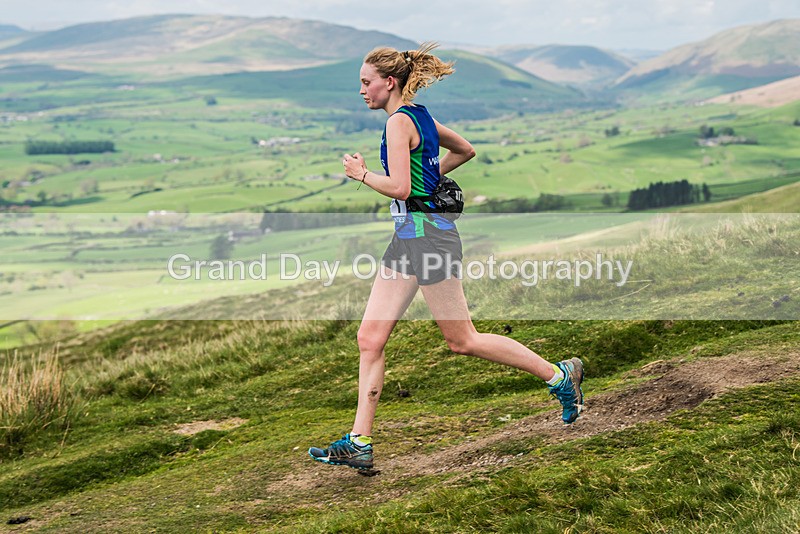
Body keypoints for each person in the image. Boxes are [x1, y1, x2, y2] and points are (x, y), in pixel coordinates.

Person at [309, 43, 584, 471]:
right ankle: (360, 440)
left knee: (463, 340)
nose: (361, 91)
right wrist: (428, 178)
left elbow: (400, 188)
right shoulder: (420, 116)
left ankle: (559, 377)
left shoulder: (401, 123)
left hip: (430, 240)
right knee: (370, 338)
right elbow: (464, 150)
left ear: (389, 82)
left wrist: (362, 175)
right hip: (407, 239)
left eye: (366, 83)